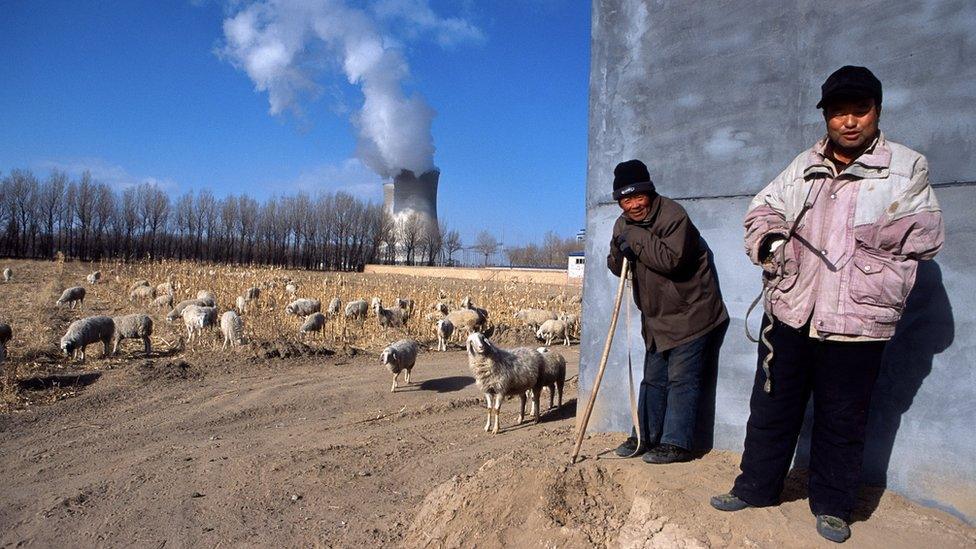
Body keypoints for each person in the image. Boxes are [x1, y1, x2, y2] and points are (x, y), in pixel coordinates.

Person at [709, 66, 944, 543]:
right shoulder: (803, 165)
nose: (849, 121)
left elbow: (925, 232)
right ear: (827, 116)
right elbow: (761, 209)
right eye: (839, 112)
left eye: (860, 110)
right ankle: (755, 487)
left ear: (877, 112)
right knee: (772, 406)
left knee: (843, 415)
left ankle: (833, 506)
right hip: (792, 305)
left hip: (857, 315)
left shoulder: (906, 167)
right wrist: (774, 241)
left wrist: (863, 238)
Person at [607, 159, 728, 464]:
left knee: (681, 379)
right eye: (625, 199)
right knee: (653, 379)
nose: (633, 205)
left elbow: (672, 260)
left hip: (692, 312)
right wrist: (619, 254)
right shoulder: (622, 224)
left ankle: (677, 443)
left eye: (638, 197)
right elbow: (615, 264)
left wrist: (634, 239)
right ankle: (644, 436)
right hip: (657, 317)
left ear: (649, 192)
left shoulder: (674, 216)